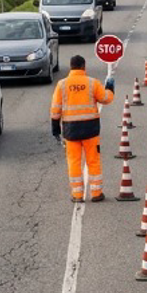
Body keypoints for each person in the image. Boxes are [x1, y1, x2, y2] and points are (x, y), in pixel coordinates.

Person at [51, 54, 115, 202]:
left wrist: (56, 129)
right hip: (90, 129)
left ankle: (77, 195)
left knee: (74, 162)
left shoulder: (62, 85)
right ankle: (96, 193)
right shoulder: (92, 83)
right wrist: (110, 87)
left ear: (71, 67)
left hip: (70, 130)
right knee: (93, 161)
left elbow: (55, 109)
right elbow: (106, 99)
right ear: (83, 66)